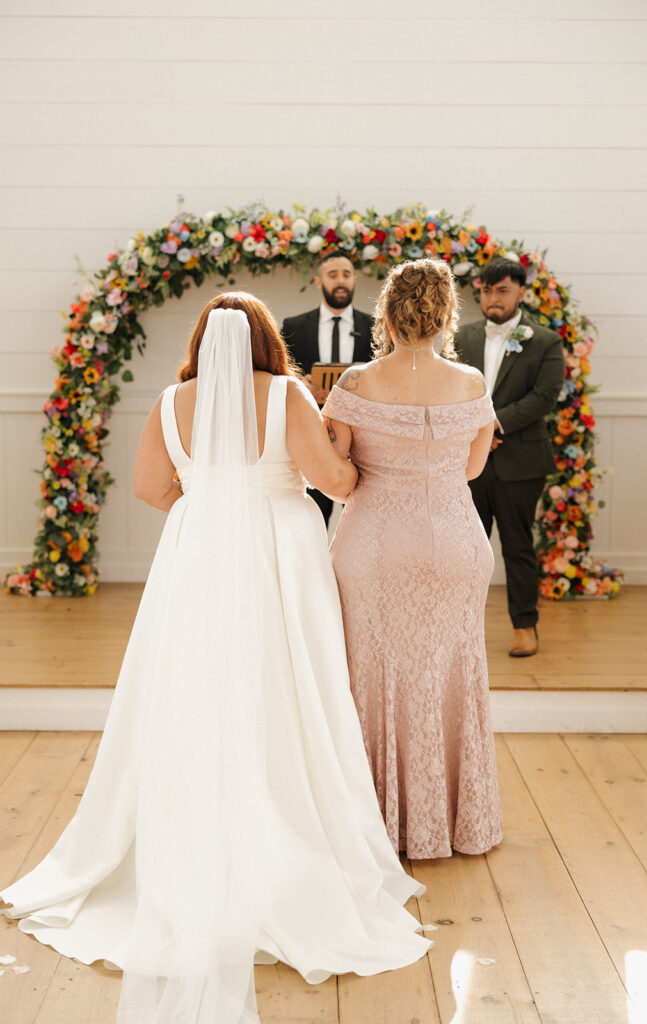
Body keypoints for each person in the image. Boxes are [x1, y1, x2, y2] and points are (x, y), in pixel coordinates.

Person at [1, 294, 430, 1024]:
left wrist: (213, 503)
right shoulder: (289, 391)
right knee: (291, 684)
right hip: (280, 551)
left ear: (202, 342)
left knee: (196, 685)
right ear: (268, 339)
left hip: (197, 550)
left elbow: (146, 486)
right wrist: (344, 452)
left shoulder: (172, 400)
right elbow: (335, 481)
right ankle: (294, 822)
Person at [322, 258, 503, 861]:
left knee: (374, 675)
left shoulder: (353, 384)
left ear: (388, 314)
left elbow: (338, 480)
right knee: (451, 672)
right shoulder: (473, 382)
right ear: (447, 315)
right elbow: (473, 469)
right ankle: (456, 823)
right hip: (455, 540)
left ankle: (379, 824)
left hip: (374, 541)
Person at [454, 257, 565, 657]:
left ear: (520, 291)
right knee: (467, 549)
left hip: (521, 461)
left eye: (502, 290)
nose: (493, 298)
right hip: (469, 463)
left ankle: (525, 626)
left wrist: (493, 426)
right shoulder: (461, 337)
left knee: (518, 547)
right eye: (486, 290)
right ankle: (463, 631)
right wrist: (475, 431)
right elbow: (451, 391)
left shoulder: (545, 340)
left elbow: (544, 397)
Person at [281, 249, 373, 525]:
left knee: (360, 524)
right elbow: (282, 376)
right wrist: (302, 384)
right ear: (319, 282)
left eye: (346, 274)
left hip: (363, 441)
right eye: (333, 275)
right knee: (312, 523)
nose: (340, 281)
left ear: (354, 279)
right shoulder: (294, 326)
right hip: (311, 436)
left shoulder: (374, 326)